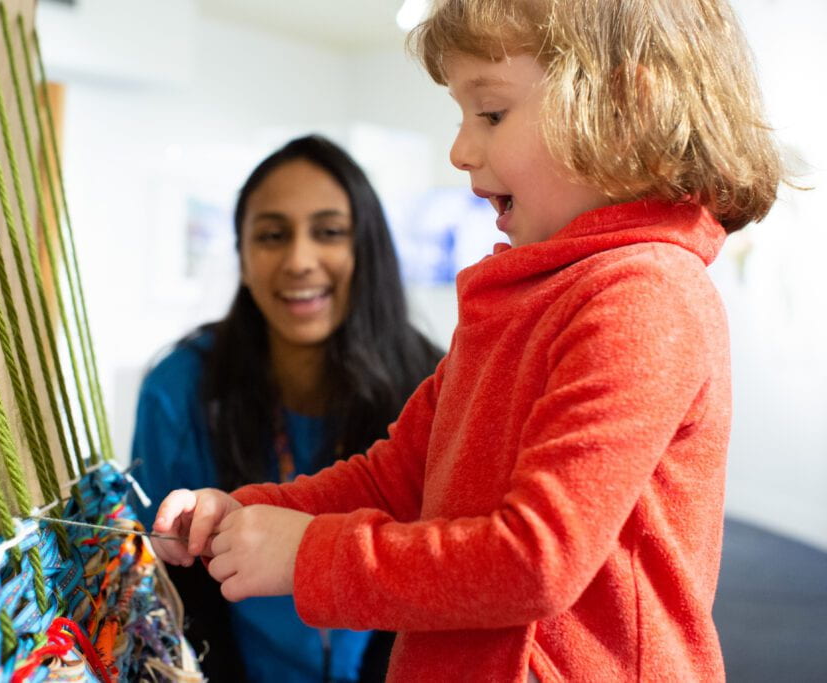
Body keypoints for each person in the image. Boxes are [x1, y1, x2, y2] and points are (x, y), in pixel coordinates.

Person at [149, 0, 787, 681]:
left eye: (490, 114)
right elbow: (396, 477)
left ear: (627, 108)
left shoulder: (646, 295)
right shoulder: (522, 300)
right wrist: (248, 508)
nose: (459, 150)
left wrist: (309, 553)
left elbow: (534, 558)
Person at [129, 135, 443, 682]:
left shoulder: (437, 383)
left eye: (328, 232)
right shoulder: (178, 388)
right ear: (243, 258)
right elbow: (167, 590)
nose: (299, 261)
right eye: (273, 236)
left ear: (365, 249)